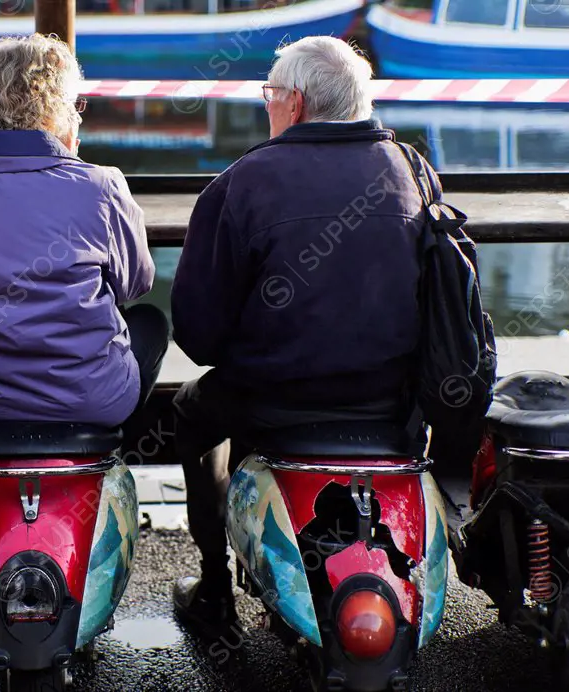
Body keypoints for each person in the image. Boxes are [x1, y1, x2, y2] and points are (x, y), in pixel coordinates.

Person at [169, 36, 439, 636]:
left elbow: (199, 337)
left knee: (191, 412)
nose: (268, 106)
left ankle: (215, 589)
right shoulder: (411, 172)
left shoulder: (244, 181)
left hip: (275, 402)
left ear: (293, 102)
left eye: (269, 94)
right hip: (390, 399)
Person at [0, 34, 168, 437]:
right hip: (92, 400)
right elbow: (134, 285)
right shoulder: (101, 186)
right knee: (150, 322)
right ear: (60, 111)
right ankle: (106, 463)